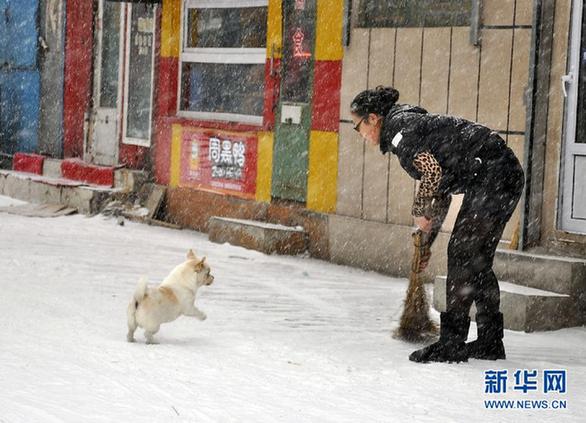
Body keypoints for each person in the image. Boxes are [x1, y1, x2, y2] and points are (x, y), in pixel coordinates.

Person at [350, 86, 524, 363]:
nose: (361, 135)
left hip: (494, 175)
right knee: (476, 260)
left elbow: (432, 171)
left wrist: (418, 208)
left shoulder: (399, 132)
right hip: (501, 174)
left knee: (462, 254)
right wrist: (428, 243)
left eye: (357, 126)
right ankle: (490, 341)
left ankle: (452, 343)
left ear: (373, 118)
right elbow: (441, 192)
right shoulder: (407, 126)